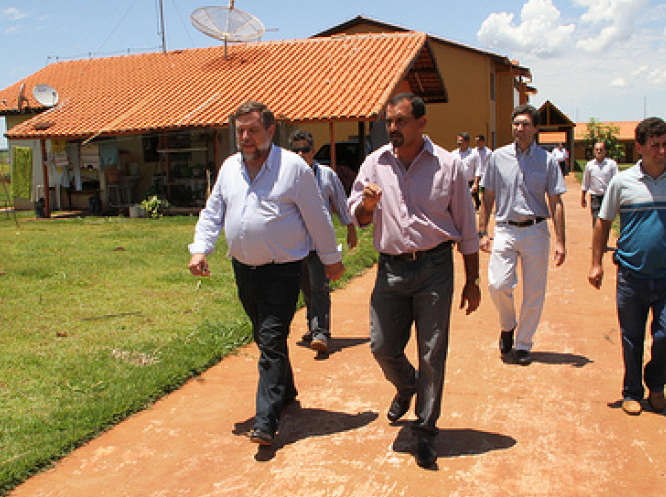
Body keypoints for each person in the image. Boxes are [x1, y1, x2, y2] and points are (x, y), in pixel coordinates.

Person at [188, 101, 345, 446]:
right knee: (264, 336)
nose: (246, 137)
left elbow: (318, 217)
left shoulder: (293, 169)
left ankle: (265, 421)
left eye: (253, 130)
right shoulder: (230, 168)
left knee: (271, 339)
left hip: (283, 270)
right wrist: (200, 249)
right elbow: (213, 212)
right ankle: (285, 389)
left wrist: (331, 260)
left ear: (271, 131)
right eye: (240, 131)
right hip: (243, 270)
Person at [349, 92, 480, 468]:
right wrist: (367, 206)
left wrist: (471, 280)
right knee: (382, 346)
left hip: (434, 267)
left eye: (401, 121)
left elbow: (467, 226)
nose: (393, 128)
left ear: (422, 123)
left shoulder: (448, 165)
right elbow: (358, 216)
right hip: (390, 268)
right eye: (389, 121)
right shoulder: (375, 163)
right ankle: (408, 385)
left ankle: (425, 430)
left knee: (432, 351)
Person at [588, 117, 666, 416]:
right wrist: (596, 263)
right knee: (632, 337)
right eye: (655, 145)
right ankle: (632, 391)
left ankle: (656, 382)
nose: (662, 151)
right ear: (639, 147)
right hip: (631, 275)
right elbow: (603, 222)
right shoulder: (622, 182)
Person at [479, 104, 567, 365]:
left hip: (536, 230)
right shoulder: (498, 157)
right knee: (497, 284)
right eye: (516, 123)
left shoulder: (547, 161)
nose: (520, 128)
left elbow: (556, 201)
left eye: (526, 124)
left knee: (534, 291)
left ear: (536, 128)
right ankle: (508, 325)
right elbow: (488, 196)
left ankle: (523, 344)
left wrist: (560, 241)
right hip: (505, 228)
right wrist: (482, 231)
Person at [288, 129, 358, 353]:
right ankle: (313, 326)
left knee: (319, 286)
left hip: (320, 244)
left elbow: (341, 202)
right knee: (306, 288)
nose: (301, 154)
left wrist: (350, 229)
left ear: (313, 151)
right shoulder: (285, 177)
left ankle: (321, 332)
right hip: (296, 245)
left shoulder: (327, 175)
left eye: (305, 149)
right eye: (296, 150)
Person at [580, 141, 618, 226]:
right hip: (595, 196)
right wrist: (583, 197)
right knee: (596, 219)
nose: (598, 151)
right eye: (596, 149)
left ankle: (605, 234)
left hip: (607, 196)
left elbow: (616, 181)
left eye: (601, 149)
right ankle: (596, 234)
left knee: (606, 220)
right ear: (594, 151)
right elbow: (585, 183)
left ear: (605, 151)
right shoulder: (590, 165)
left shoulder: (612, 164)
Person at [451, 132, 481, 209]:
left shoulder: (474, 154)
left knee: (470, 203)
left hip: (470, 181)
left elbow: (478, 168)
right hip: (458, 182)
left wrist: (476, 183)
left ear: (467, 141)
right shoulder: (454, 154)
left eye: (461, 140)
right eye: (458, 140)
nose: (459, 142)